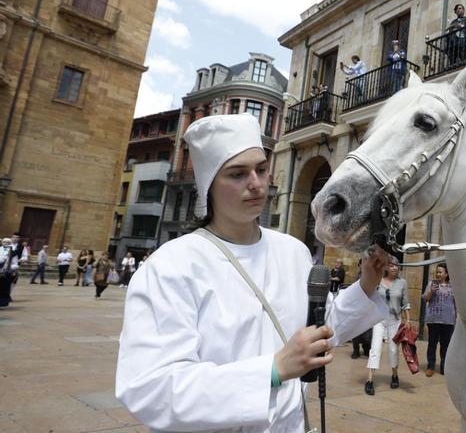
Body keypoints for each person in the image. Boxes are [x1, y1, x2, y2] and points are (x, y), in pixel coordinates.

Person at [116, 113, 388, 432]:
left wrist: (368, 281)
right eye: (237, 174)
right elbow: (150, 388)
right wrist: (272, 370)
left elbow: (321, 329)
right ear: (209, 185)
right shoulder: (172, 265)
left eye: (260, 168)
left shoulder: (293, 252)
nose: (256, 184)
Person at [365, 258, 410, 396]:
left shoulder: (402, 283)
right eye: (391, 265)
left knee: (393, 349)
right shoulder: (378, 281)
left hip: (394, 320)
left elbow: (405, 302)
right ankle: (370, 380)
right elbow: (370, 297)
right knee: (375, 349)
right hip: (379, 319)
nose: (395, 268)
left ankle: (395, 375)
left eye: (396, 265)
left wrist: (408, 319)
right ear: (386, 267)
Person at [422, 263, 455, 377]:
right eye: (437, 272)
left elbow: (456, 303)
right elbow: (425, 299)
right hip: (433, 319)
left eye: (440, 272)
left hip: (448, 320)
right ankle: (430, 367)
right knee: (432, 343)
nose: (438, 274)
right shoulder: (432, 283)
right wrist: (431, 291)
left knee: (445, 345)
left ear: (446, 274)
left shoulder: (453, 286)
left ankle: (444, 367)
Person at [350, 259, 373, 360]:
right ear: (359, 265)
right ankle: (356, 350)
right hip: (357, 306)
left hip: (367, 305)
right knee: (355, 329)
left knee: (367, 330)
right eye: (361, 264)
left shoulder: (371, 275)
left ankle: (367, 349)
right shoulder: (358, 276)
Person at [0, 238, 13, 307]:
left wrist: (6, 268)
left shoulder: (12, 250)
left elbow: (13, 262)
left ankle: (3, 302)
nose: (5, 243)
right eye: (4, 242)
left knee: (4, 287)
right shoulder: (0, 249)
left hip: (6, 270)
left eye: (7, 242)